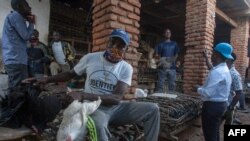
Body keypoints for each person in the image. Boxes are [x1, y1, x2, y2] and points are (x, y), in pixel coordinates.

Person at [26, 29, 160, 141]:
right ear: (108, 42)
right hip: (94, 108)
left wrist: (83, 94)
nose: (115, 48)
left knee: (153, 109)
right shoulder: (91, 58)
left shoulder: (126, 68)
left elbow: (116, 98)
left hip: (116, 108)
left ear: (126, 49)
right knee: (99, 126)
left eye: (120, 46)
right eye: (113, 43)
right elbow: (70, 74)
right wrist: (46, 79)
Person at [196, 43, 233, 141]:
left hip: (212, 107)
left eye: (212, 54)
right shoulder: (224, 69)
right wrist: (206, 58)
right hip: (221, 105)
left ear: (216, 55)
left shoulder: (218, 72)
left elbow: (208, 93)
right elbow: (212, 68)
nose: (211, 56)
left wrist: (197, 89)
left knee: (209, 135)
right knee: (215, 131)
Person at [1, 0, 34, 94]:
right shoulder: (16, 16)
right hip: (16, 59)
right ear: (19, 6)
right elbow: (26, 36)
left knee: (14, 88)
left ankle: (11, 107)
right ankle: (15, 108)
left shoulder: (13, 17)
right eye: (26, 5)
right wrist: (31, 23)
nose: (29, 7)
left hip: (13, 59)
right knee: (19, 90)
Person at [154, 28, 179, 93]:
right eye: (167, 32)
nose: (168, 33)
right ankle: (160, 96)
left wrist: (170, 61)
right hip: (162, 68)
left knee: (172, 84)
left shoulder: (174, 44)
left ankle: (171, 98)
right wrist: (163, 61)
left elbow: (176, 54)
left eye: (169, 32)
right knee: (160, 84)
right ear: (164, 34)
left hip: (172, 67)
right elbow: (157, 55)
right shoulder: (160, 44)